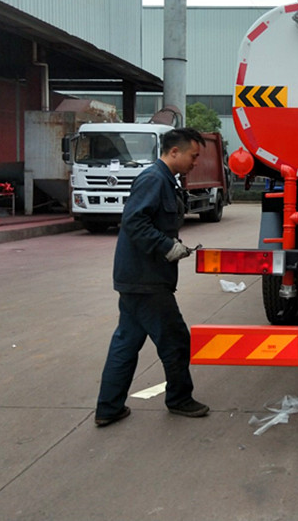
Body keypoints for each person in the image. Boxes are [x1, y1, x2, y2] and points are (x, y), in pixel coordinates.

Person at [95, 127, 209, 427]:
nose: (195, 162)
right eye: (193, 156)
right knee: (175, 340)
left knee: (127, 342)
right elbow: (134, 222)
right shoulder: (153, 179)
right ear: (175, 151)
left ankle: (108, 408)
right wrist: (166, 247)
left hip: (138, 277)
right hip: (146, 279)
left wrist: (171, 245)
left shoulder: (165, 180)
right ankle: (180, 399)